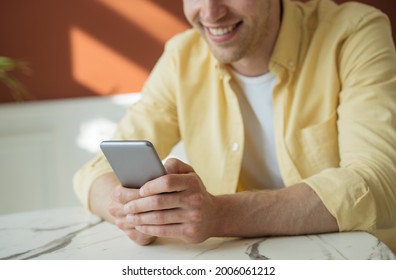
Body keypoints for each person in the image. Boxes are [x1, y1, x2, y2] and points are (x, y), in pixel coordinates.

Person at [73, 0, 396, 253]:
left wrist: (219, 214)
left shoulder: (354, 32)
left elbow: (379, 180)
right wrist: (132, 211)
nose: (211, 12)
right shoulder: (181, 57)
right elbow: (94, 171)